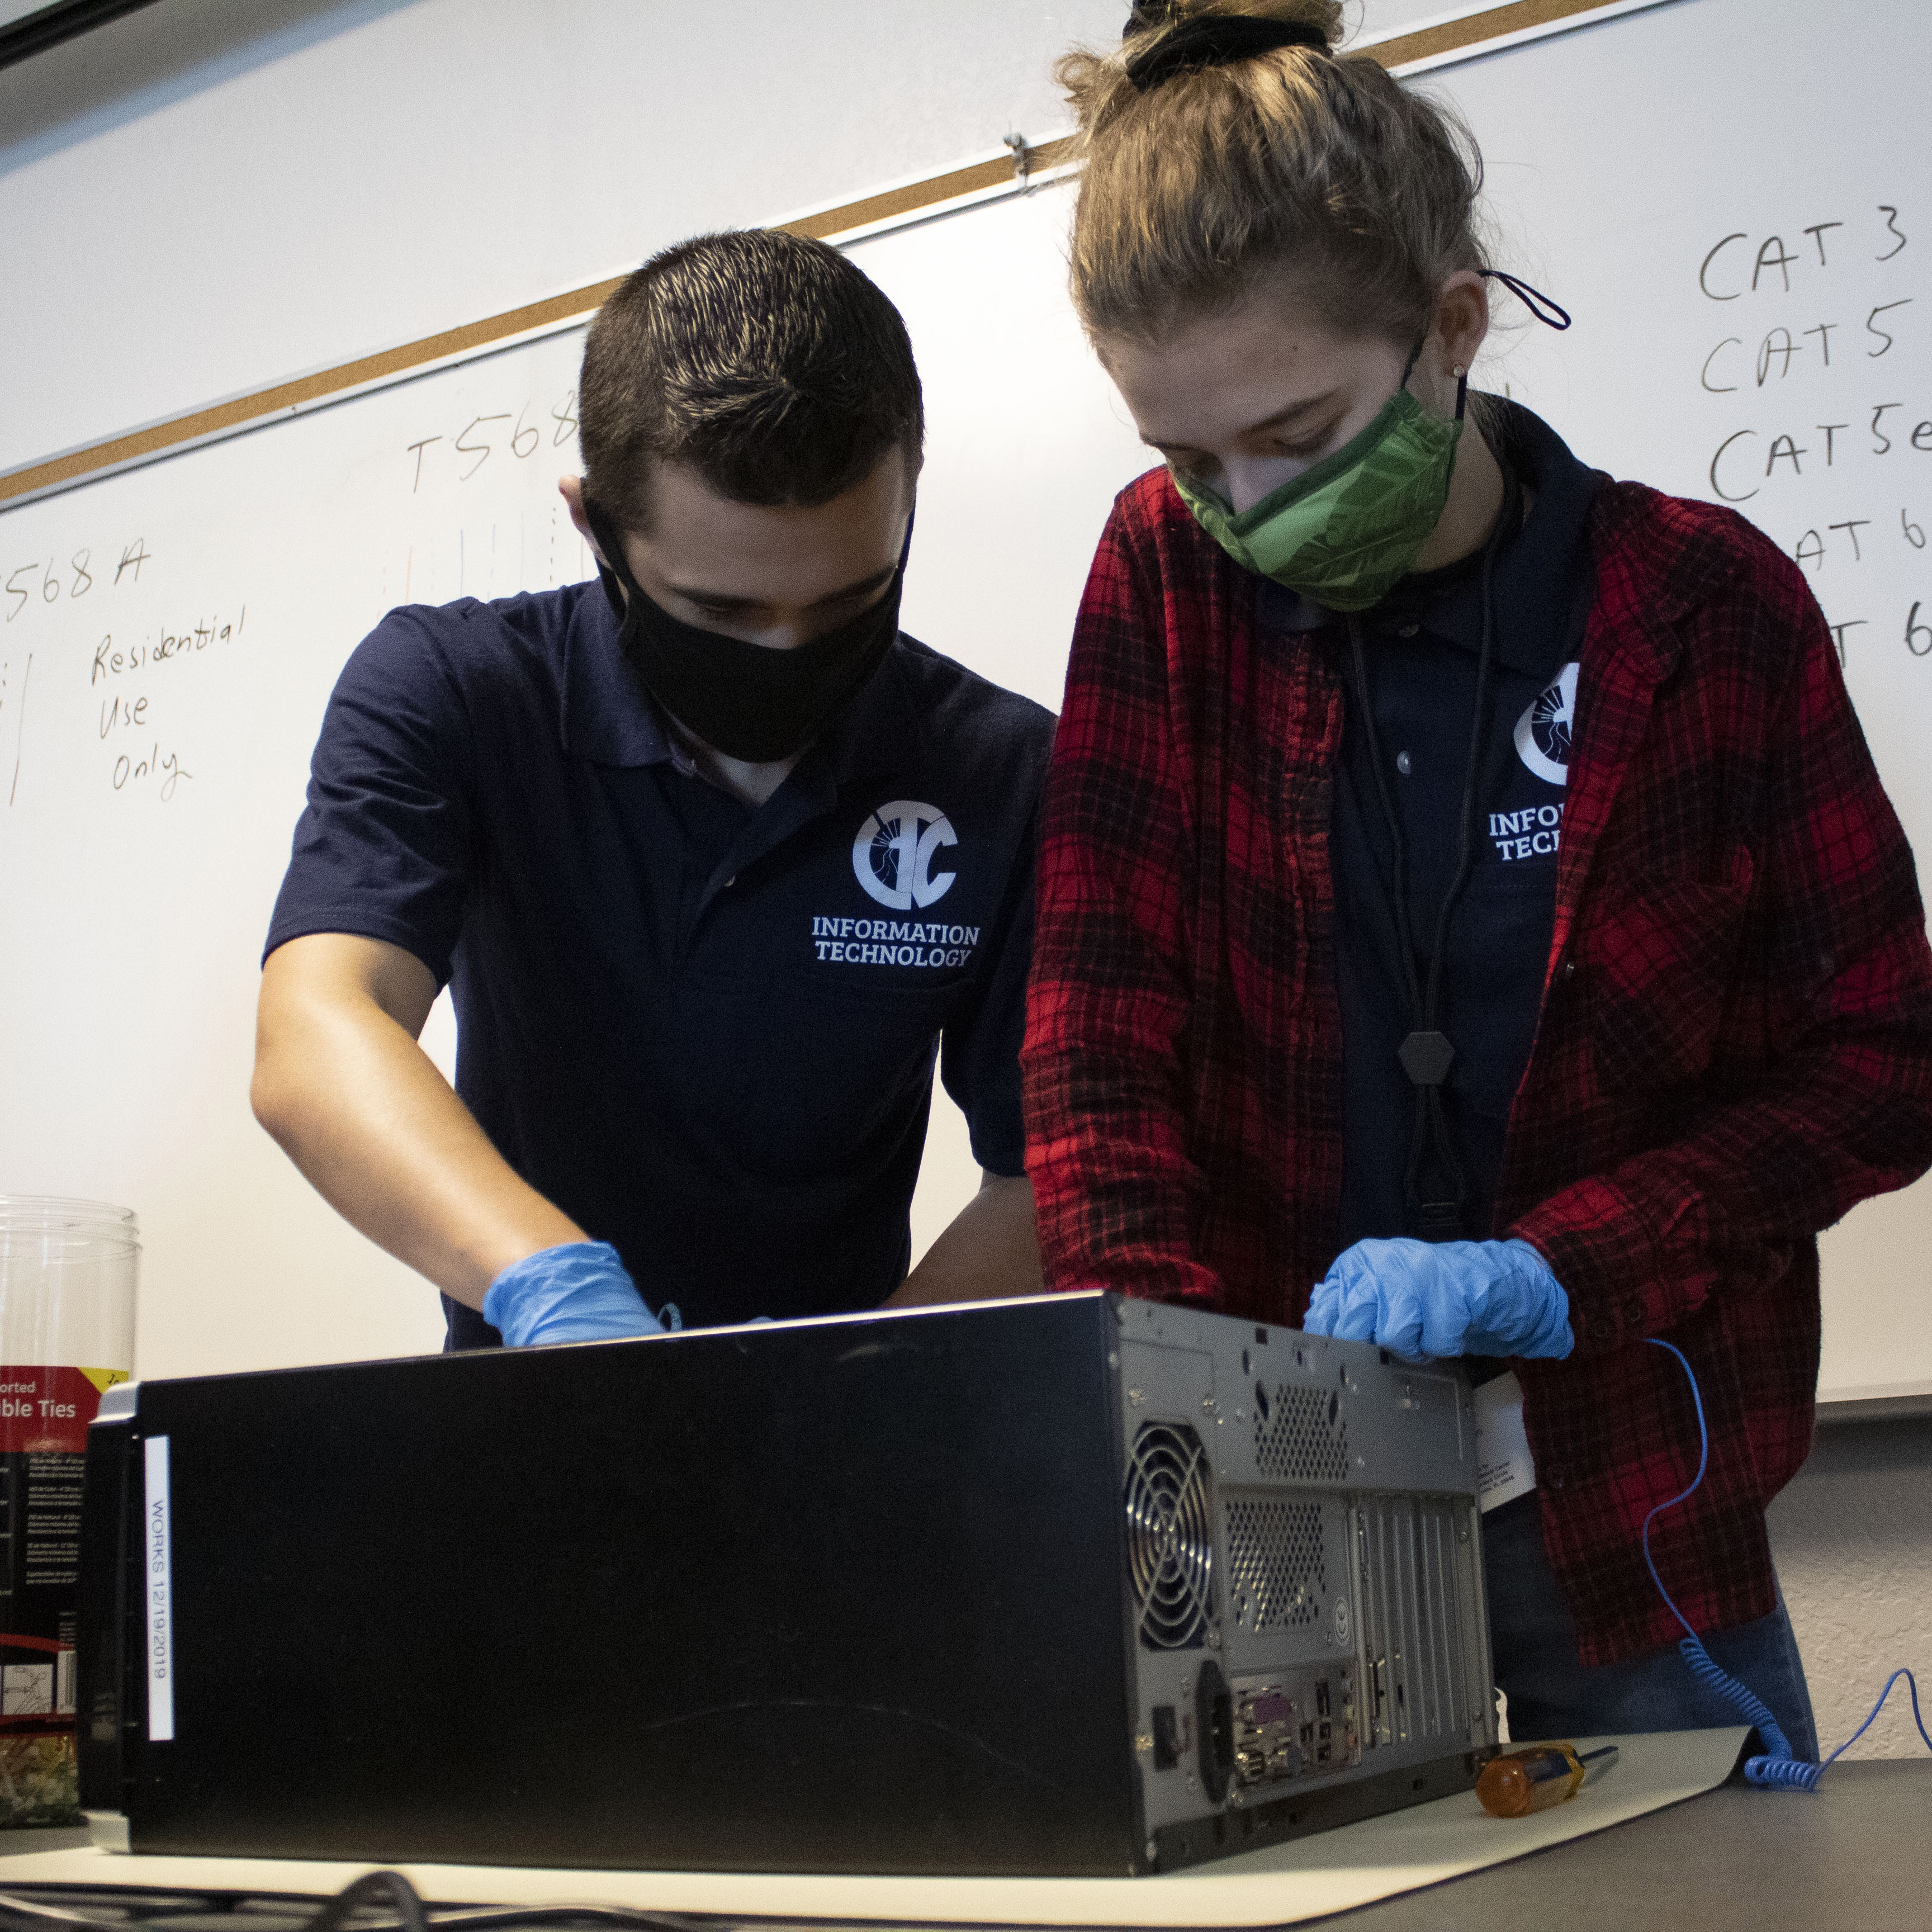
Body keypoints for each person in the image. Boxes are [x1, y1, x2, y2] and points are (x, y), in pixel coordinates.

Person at [1022, 0, 1932, 1754]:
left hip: (1637, 1512)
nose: (1247, 504)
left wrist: (1561, 1266)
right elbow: (1096, 1044)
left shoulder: (1700, 609)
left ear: (1451, 330)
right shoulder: (1164, 580)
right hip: (1290, 1517)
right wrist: (1176, 1438)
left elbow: (1887, 1059)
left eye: (1295, 434)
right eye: (1188, 459)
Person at [253, 230, 1050, 1352]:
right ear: (596, 528)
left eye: (847, 604)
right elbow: (319, 1027)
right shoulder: (457, 694)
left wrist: (858, 1393)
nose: (788, 648)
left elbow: (1052, 1173)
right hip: (529, 1422)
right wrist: (548, 1284)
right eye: (723, 614)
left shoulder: (1005, 773)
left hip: (843, 1450)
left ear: (909, 494)